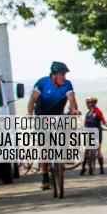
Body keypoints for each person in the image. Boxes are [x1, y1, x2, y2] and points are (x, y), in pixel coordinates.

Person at [27, 61, 80, 190]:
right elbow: (32, 100)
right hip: (42, 116)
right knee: (44, 147)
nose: (64, 77)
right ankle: (45, 176)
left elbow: (72, 100)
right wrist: (30, 113)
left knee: (68, 125)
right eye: (62, 74)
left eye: (65, 74)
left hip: (58, 115)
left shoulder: (67, 85)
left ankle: (66, 150)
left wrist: (74, 110)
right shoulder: (42, 83)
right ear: (54, 75)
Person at [81, 97, 107, 175]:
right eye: (87, 103)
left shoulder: (98, 112)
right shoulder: (87, 113)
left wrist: (103, 124)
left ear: (93, 103)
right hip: (88, 133)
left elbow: (103, 121)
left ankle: (102, 169)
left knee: (99, 150)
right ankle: (83, 168)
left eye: (89, 103)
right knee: (86, 151)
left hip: (97, 132)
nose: (88, 104)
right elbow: (85, 124)